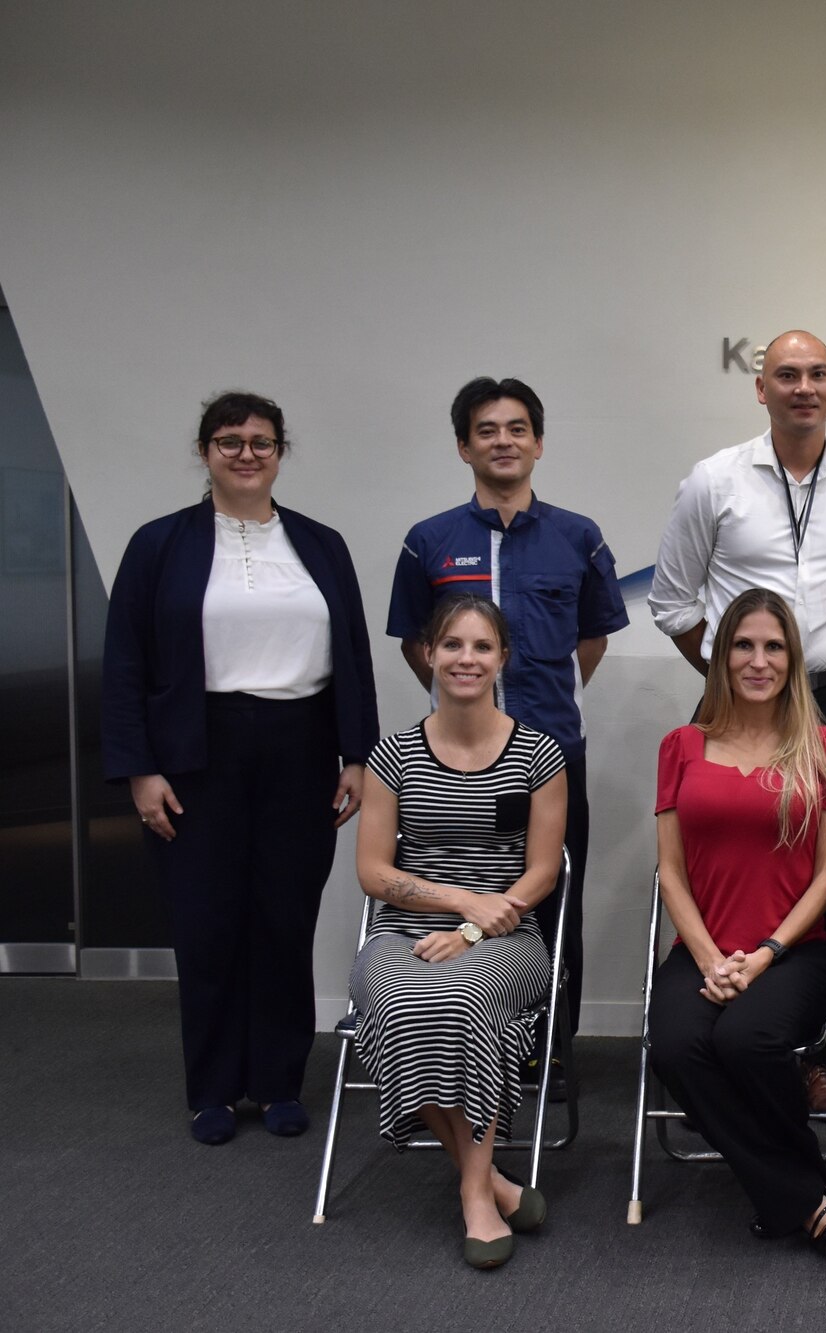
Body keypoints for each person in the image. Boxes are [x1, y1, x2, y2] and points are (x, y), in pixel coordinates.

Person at [103, 391, 378, 1146]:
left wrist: (358, 754)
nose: (246, 453)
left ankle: (278, 1081)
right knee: (208, 919)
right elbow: (125, 665)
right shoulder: (159, 544)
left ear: (280, 451)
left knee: (283, 917)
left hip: (300, 745)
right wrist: (139, 768)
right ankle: (215, 1088)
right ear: (205, 452)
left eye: (261, 441)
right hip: (196, 752)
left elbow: (351, 655)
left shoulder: (321, 544)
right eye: (229, 441)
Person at [650, 328, 826, 1113]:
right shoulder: (714, 480)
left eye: (818, 374)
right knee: (721, 862)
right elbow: (672, 601)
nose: (804, 386)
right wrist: (745, 681)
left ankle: (809, 1049)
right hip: (736, 705)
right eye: (786, 374)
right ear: (759, 388)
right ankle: (719, 1005)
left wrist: (805, 676)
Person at [387, 377, 627, 1088]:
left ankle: (549, 1047)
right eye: (487, 429)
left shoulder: (578, 537)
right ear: (464, 445)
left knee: (550, 899)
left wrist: (530, 717)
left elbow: (591, 640)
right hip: (453, 765)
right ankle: (457, 1036)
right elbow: (417, 645)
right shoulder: (428, 541)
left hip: (549, 760)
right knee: (458, 888)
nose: (503, 440)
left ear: (539, 443)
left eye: (517, 428)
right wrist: (468, 712)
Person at [351, 596, 568, 1270]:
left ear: (502, 657)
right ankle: (493, 1182)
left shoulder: (539, 753)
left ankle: (474, 1191)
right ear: (428, 653)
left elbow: (542, 872)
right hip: (401, 934)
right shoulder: (392, 754)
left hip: (505, 938)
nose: (465, 659)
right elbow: (372, 870)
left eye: (481, 646)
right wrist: (457, 900)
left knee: (465, 1001)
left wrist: (474, 928)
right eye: (452, 645)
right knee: (402, 1000)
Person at [646, 588, 826, 1251]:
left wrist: (762, 953)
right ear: (721, 654)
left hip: (795, 951)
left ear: (793, 659)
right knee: (677, 1044)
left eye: (773, 646)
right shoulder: (682, 745)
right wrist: (709, 957)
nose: (757, 660)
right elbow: (670, 872)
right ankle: (800, 1189)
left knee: (744, 1040)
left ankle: (782, 1190)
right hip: (703, 946)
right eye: (743, 644)